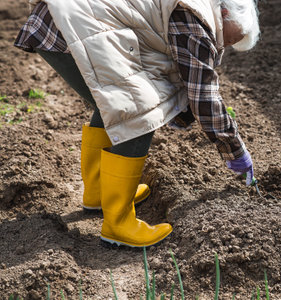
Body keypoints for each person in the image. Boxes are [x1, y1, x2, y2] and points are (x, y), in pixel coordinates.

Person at [14, 0, 260, 248]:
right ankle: (118, 225)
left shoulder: (198, 10)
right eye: (230, 38)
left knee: (118, 102)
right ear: (225, 13)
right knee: (139, 109)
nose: (224, 45)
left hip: (64, 21)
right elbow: (202, 94)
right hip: (69, 29)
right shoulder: (197, 17)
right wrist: (234, 149)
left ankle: (99, 193)